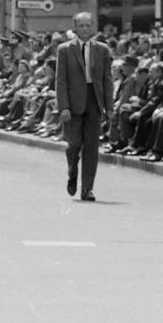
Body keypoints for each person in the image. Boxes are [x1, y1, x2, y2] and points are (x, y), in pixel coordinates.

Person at [55, 11, 112, 200]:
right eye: (81, 25)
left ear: (93, 26)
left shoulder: (102, 49)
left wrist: (109, 107)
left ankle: (87, 188)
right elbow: (60, 80)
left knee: (91, 147)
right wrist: (63, 106)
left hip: (94, 101)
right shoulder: (64, 49)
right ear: (75, 27)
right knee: (74, 144)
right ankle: (72, 171)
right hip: (72, 103)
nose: (85, 29)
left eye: (88, 25)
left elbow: (107, 80)